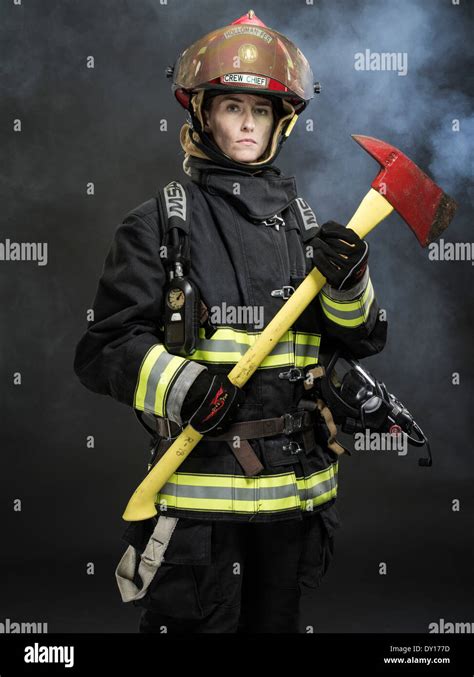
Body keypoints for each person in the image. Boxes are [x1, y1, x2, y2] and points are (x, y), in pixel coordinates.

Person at [73, 10, 387, 634]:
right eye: (232, 106)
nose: (247, 122)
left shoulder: (305, 226)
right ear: (202, 115)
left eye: (262, 111)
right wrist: (184, 387)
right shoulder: (158, 223)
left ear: (282, 122)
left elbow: (361, 337)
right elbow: (104, 348)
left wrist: (349, 281)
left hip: (296, 502)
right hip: (201, 509)